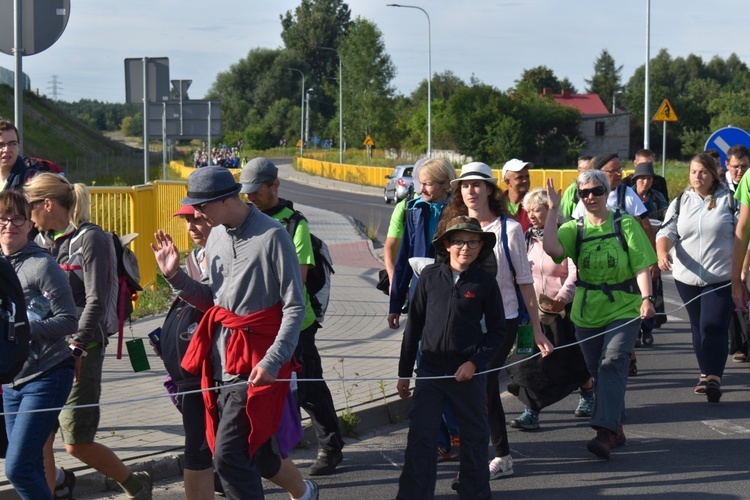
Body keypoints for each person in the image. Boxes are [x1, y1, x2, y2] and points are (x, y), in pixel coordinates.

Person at [151, 166, 316, 500]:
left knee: (227, 456)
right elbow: (213, 300)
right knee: (252, 451)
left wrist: (273, 361)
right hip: (221, 359)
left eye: (201, 206)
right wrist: (175, 277)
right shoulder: (215, 236)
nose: (196, 213)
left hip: (259, 360)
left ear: (226, 200)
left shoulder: (273, 235)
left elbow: (295, 307)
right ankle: (306, 492)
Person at [24, 173, 153, 499]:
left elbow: (96, 298)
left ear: (48, 204)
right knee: (42, 438)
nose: (27, 216)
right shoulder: (41, 241)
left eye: (30, 207)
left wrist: (77, 347)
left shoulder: (89, 239)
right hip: (45, 348)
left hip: (83, 347)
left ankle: (136, 486)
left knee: (76, 442)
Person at [439, 162, 553, 479]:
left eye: (477, 184)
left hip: (501, 322)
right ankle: (497, 453)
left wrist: (538, 328)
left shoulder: (509, 229)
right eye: (465, 185)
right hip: (463, 322)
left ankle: (494, 456)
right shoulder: (453, 226)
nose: (471, 190)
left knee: (481, 382)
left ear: (490, 189)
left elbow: (525, 281)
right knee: (475, 388)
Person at [240, 157, 345, 476]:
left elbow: (295, 282)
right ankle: (253, 452)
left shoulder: (294, 223)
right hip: (256, 324)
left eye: (255, 191)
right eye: (245, 191)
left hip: (296, 325)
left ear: (274, 186)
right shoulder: (242, 220)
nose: (249, 197)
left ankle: (330, 447)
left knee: (309, 389)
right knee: (251, 390)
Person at [544, 170, 656, 460]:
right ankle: (616, 427)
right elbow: (551, 248)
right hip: (586, 312)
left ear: (607, 193)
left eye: (596, 191)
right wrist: (553, 210)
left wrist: (647, 298)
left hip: (624, 307)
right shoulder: (574, 228)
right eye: (584, 193)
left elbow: (641, 265)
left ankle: (604, 433)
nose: (591, 197)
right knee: (598, 371)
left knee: (613, 362)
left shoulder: (625, 223)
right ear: (579, 197)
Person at [396, 216, 504, 500]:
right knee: (421, 437)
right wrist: (404, 372)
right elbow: (414, 327)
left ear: (481, 246)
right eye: (458, 241)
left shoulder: (485, 283)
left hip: (468, 374)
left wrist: (474, 363)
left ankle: (474, 492)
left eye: (472, 242)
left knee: (475, 438)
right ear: (447, 244)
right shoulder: (430, 277)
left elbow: (498, 332)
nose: (465, 248)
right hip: (431, 373)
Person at [0, 190, 78, 498]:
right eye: (3, 218)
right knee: (27, 464)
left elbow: (69, 321)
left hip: (47, 373)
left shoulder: (42, 266)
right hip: (10, 380)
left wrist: (22, 330)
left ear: (30, 224)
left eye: (18, 218)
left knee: (17, 467)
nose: (10, 225)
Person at [387, 158, 459, 462]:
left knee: (446, 370)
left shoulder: (458, 212)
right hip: (419, 296)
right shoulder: (413, 208)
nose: (421, 187)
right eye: (420, 182)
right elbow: (403, 258)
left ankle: (458, 432)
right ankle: (443, 439)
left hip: (451, 297)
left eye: (428, 183)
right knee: (425, 370)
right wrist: (395, 302)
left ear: (444, 185)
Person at [507, 188, 593, 431]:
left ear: (550, 210)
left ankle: (587, 395)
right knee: (528, 362)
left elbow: (575, 272)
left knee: (572, 359)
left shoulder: (566, 235)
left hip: (562, 311)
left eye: (538, 209)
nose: (532, 215)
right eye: (529, 210)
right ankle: (531, 410)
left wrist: (564, 296)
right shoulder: (525, 239)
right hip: (531, 312)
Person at [656, 153, 736, 402]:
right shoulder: (681, 201)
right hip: (686, 277)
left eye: (702, 171)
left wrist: (742, 268)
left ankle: (714, 377)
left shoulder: (730, 201)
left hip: (721, 277)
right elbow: (667, 230)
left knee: (713, 325)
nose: (697, 176)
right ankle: (704, 373)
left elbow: (743, 233)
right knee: (698, 326)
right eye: (693, 172)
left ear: (713, 174)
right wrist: (661, 252)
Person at [152, 204, 217, 499]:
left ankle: (301, 490)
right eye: (187, 221)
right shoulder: (194, 258)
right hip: (193, 374)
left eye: (198, 219)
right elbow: (189, 307)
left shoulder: (234, 254)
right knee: (197, 449)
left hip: (224, 371)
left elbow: (215, 306)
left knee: (257, 455)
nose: (191, 227)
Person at [572, 153, 656, 376]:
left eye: (620, 169)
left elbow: (646, 226)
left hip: (625, 270)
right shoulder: (582, 205)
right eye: (613, 171)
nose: (619, 174)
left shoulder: (627, 195)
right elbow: (571, 240)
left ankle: (628, 356)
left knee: (618, 344)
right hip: (593, 284)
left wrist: (651, 259)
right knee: (597, 362)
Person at [631, 161, 669, 345]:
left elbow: (668, 220)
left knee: (651, 291)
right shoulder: (628, 196)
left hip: (652, 247)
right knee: (634, 293)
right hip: (632, 250)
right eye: (642, 178)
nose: (645, 182)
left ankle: (647, 329)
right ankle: (635, 330)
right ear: (636, 180)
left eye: (649, 178)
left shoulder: (658, 197)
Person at [384, 158, 426, 285]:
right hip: (409, 284)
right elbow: (390, 247)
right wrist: (394, 281)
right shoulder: (404, 207)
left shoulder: (448, 207)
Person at [501, 158, 533, 232]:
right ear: (507, 182)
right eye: (520, 178)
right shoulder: (496, 204)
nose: (525, 180)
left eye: (527, 176)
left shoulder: (535, 203)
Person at [560, 156, 593, 221]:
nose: (589, 173)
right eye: (586, 169)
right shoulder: (572, 190)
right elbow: (564, 214)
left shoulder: (599, 188)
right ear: (579, 170)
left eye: (591, 169)